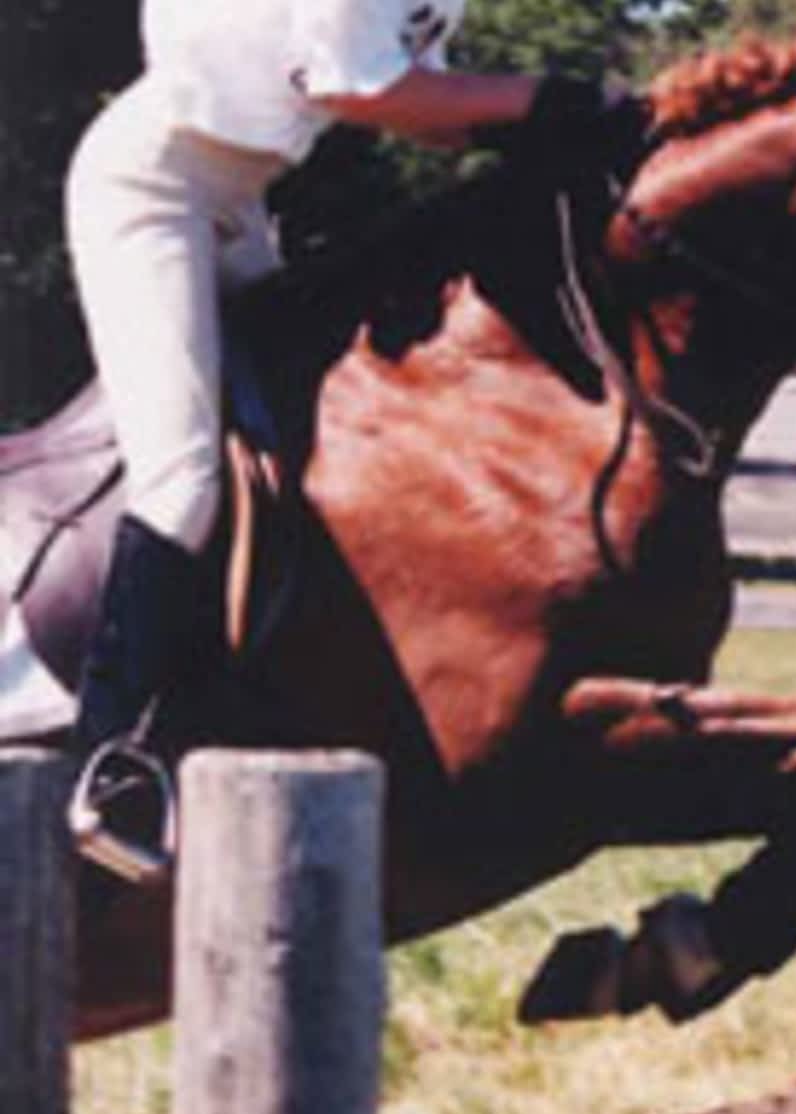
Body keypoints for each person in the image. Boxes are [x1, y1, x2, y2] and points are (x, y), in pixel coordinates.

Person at [64, 0, 634, 876]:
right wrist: (543, 96)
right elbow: (359, 90)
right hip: (150, 188)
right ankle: (111, 761)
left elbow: (430, 110)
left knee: (304, 445)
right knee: (182, 480)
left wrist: (540, 127)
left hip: (239, 204)